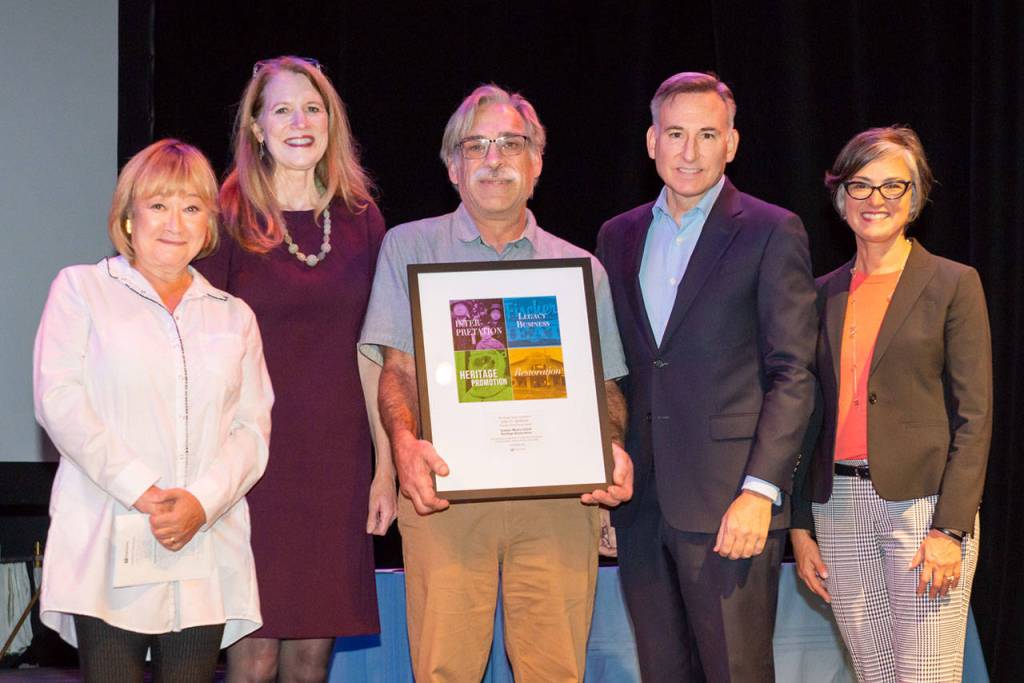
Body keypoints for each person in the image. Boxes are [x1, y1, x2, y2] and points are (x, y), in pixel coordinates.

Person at [358, 84, 634, 682]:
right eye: (475, 145)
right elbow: (396, 370)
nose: (493, 159)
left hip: (559, 503)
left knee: (556, 671)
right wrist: (403, 448)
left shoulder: (581, 269)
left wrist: (609, 446)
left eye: (511, 143)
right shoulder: (409, 246)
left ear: (536, 163)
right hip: (446, 493)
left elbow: (606, 389)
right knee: (445, 670)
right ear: (453, 167)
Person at [596, 71, 817, 682]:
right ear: (651, 142)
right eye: (675, 133)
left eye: (706, 134)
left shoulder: (772, 231)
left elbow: (794, 374)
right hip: (641, 506)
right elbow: (614, 369)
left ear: (732, 144)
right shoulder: (616, 236)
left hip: (731, 507)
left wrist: (761, 491)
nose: (689, 151)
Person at [33, 139, 273, 682]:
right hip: (110, 533)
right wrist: (145, 489)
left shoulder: (233, 317)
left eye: (191, 208)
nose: (175, 223)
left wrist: (200, 503)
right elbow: (60, 400)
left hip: (205, 542)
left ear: (208, 222)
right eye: (159, 205)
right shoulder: (81, 290)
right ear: (128, 215)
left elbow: (251, 430)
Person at [195, 56, 395, 682]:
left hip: (336, 467)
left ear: (331, 124)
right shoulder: (223, 217)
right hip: (251, 465)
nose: (299, 122)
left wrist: (385, 467)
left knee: (311, 660)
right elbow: (199, 356)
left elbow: (377, 354)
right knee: (251, 657)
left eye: (313, 109)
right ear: (255, 128)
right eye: (281, 109)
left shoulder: (363, 220)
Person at [790, 126, 992, 682]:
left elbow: (975, 420)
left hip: (925, 511)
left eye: (892, 186)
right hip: (839, 511)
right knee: (875, 676)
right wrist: (800, 526)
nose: (875, 200)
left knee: (925, 676)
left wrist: (951, 530)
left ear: (916, 195)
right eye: (861, 185)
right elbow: (807, 417)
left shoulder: (954, 283)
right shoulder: (819, 292)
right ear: (840, 196)